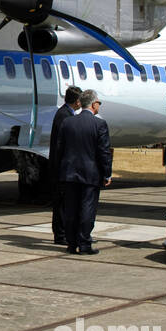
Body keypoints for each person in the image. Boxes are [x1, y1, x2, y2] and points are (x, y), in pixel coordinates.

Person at [57, 89, 111, 254]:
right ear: (94, 104)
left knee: (71, 210)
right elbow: (104, 152)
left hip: (69, 173)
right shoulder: (99, 124)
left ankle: (72, 244)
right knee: (87, 209)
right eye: (99, 103)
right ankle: (85, 243)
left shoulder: (68, 122)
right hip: (90, 174)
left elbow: (60, 149)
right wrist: (107, 173)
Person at [49, 86, 83, 244]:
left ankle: (63, 233)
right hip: (63, 168)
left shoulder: (65, 113)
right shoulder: (65, 116)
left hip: (62, 167)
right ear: (77, 101)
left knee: (63, 203)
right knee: (62, 204)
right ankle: (61, 234)